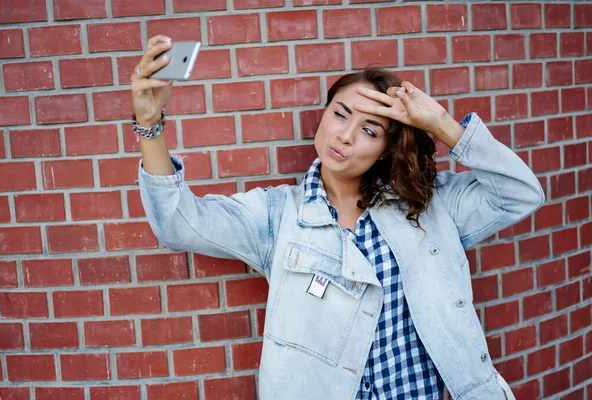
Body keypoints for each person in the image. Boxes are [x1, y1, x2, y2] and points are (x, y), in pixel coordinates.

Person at [131, 36, 544, 400]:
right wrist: (150, 127)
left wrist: (440, 124)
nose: (345, 135)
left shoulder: (428, 207)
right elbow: (177, 223)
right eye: (341, 114)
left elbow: (520, 193)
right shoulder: (279, 215)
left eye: (369, 130)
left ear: (385, 148)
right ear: (323, 115)